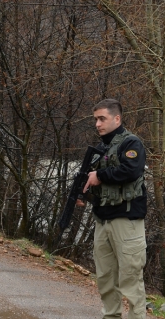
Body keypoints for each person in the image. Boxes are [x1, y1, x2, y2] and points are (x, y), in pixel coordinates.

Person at [76, 99, 147, 319]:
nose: (97, 124)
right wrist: (82, 192)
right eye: (95, 119)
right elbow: (94, 180)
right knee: (105, 280)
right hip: (102, 221)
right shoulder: (101, 148)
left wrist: (100, 176)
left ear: (117, 118)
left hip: (126, 222)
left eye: (102, 119)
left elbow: (130, 171)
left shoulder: (131, 144)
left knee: (130, 280)